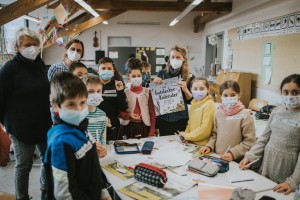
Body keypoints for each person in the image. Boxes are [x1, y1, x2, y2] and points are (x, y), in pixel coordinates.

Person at [0, 28, 52, 200]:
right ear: (18, 47)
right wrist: (8, 125)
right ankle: (22, 197)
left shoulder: (39, 64)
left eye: (35, 44)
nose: (32, 48)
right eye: (27, 45)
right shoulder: (9, 69)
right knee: (24, 165)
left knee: (48, 161)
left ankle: (46, 192)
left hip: (43, 123)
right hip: (20, 127)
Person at [44, 72, 111, 200]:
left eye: (82, 102)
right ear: (55, 106)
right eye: (71, 104)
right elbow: (64, 194)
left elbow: (94, 169)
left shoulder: (82, 129)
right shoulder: (61, 143)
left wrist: (103, 192)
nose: (79, 109)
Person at [239, 74, 300, 195]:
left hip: (289, 170)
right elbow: (264, 138)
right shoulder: (277, 111)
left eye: (295, 92)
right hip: (268, 164)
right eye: (286, 92)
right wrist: (250, 156)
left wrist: (293, 181)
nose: (290, 96)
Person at [200, 80, 256, 162]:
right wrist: (209, 146)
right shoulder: (218, 113)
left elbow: (249, 141)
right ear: (221, 96)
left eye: (233, 95)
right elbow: (214, 135)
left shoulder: (245, 115)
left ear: (239, 95)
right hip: (217, 156)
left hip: (236, 160)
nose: (229, 98)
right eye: (225, 95)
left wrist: (233, 153)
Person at [153, 45, 194, 135]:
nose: (175, 59)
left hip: (180, 118)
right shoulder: (162, 73)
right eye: (173, 57)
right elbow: (156, 96)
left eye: (178, 57)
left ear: (184, 59)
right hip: (164, 118)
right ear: (169, 59)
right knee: (165, 143)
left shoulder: (189, 77)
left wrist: (185, 90)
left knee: (180, 144)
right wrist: (155, 84)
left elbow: (192, 100)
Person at [118, 58, 156, 139]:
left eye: (139, 76)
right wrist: (128, 115)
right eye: (133, 76)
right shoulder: (125, 93)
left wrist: (152, 132)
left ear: (142, 76)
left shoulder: (147, 92)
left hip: (144, 127)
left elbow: (152, 113)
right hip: (128, 127)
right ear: (128, 78)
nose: (136, 78)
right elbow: (119, 111)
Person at [97, 57, 128, 140]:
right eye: (103, 68)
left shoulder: (117, 85)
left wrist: (120, 91)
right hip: (96, 122)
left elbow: (123, 107)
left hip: (113, 124)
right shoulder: (94, 85)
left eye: (109, 68)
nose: (106, 70)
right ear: (98, 71)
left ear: (113, 71)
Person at [179, 78, 216, 145]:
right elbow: (189, 124)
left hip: (203, 145)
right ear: (191, 89)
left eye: (201, 89)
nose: (198, 91)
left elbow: (205, 130)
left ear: (208, 89)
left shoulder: (209, 104)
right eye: (195, 89)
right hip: (192, 142)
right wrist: (186, 137)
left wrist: (187, 136)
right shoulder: (193, 105)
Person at [82, 74, 107, 146]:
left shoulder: (102, 115)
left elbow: (103, 138)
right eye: (90, 91)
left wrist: (103, 148)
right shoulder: (78, 116)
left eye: (99, 91)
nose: (96, 95)